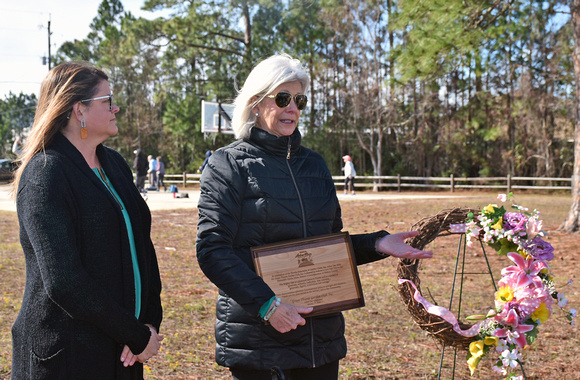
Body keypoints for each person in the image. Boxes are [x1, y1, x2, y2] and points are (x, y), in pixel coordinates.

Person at [195, 54, 432, 380]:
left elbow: (326, 250)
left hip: (319, 342)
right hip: (261, 342)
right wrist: (268, 307)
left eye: (299, 100)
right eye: (282, 98)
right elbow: (212, 249)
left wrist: (378, 243)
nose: (292, 107)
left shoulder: (316, 166)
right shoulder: (227, 165)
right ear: (255, 103)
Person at [10, 61, 163, 379]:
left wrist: (150, 321)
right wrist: (134, 335)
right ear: (79, 110)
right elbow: (65, 282)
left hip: (123, 351)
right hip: (67, 356)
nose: (116, 107)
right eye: (107, 100)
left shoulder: (115, 164)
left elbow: (142, 247)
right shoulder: (46, 174)